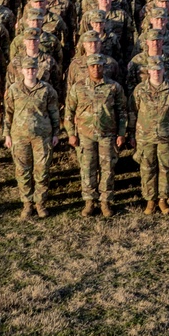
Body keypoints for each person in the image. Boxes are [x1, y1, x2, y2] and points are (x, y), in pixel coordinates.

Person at [64, 54, 128, 218]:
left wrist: (121, 133)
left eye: (99, 66)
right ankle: (89, 201)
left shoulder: (113, 87)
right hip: (85, 135)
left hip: (107, 134)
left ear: (103, 67)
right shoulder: (78, 87)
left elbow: (122, 112)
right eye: (92, 66)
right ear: (88, 68)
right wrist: (71, 133)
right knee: (87, 168)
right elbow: (69, 113)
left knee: (107, 169)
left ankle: (105, 202)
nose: (96, 69)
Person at [3, 56, 60, 219]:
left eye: (33, 69)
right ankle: (27, 204)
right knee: (23, 171)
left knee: (42, 171)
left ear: (37, 70)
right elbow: (8, 114)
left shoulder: (47, 90)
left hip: (42, 137)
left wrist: (56, 133)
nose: (30, 71)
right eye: (27, 69)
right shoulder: (14, 89)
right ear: (22, 71)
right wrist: (6, 134)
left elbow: (54, 113)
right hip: (19, 137)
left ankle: (40, 203)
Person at [129, 58, 169, 215]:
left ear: (164, 71)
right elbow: (132, 112)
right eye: (153, 70)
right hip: (145, 136)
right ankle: (150, 199)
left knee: (166, 167)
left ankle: (163, 199)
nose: (156, 72)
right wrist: (131, 134)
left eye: (159, 69)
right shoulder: (140, 89)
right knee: (147, 168)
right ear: (148, 71)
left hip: (167, 136)